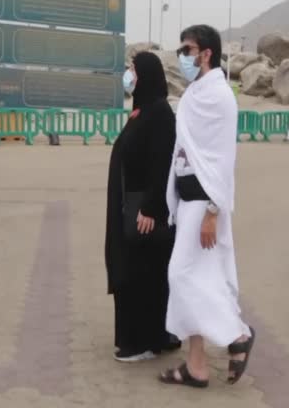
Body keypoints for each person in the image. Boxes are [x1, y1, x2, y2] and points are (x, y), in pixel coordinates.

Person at [160, 25, 254, 389]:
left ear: (206, 53)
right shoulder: (197, 92)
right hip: (185, 203)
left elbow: (223, 160)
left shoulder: (220, 96)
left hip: (204, 204)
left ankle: (237, 337)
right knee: (199, 280)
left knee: (181, 276)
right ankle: (196, 366)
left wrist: (213, 211)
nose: (183, 56)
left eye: (188, 49)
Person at [105, 51, 179, 363]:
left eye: (133, 70)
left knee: (142, 272)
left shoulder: (160, 112)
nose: (129, 75)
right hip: (130, 205)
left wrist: (151, 208)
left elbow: (162, 163)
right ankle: (156, 334)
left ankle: (143, 341)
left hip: (143, 210)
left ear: (146, 74)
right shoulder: (143, 110)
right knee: (138, 269)